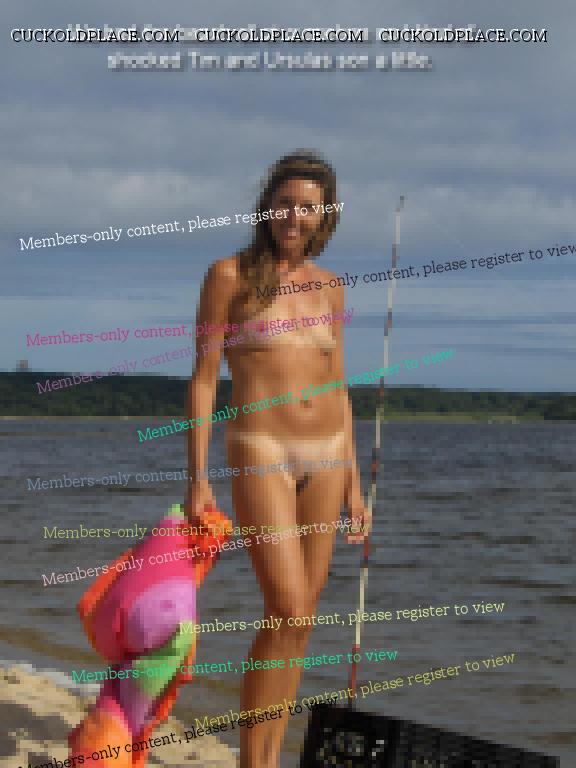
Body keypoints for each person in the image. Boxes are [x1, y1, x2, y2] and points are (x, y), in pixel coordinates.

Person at [184, 150, 370, 768]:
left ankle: (269, 757)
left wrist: (354, 486)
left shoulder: (331, 288)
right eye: (285, 203)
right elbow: (204, 379)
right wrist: (197, 478)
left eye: (307, 207)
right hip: (261, 449)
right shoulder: (228, 276)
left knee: (302, 619)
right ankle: (251, 762)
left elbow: (338, 387)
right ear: (266, 207)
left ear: (325, 217)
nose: (294, 216)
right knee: (285, 606)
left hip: (328, 456)